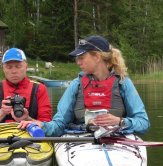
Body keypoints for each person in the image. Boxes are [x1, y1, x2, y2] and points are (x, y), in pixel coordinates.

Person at [18, 35, 149, 136]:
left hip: (117, 139)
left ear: (97, 57)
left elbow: (144, 123)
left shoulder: (123, 82)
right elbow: (59, 125)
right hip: (82, 139)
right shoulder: (76, 85)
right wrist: (41, 125)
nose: (78, 62)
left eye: (81, 57)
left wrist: (120, 121)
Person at [0, 48, 52, 134]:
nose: (14, 71)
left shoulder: (39, 89)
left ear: (26, 67)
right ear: (3, 69)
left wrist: (27, 119)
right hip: (0, 139)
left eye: (18, 66)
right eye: (9, 67)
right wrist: (2, 112)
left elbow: (47, 126)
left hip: (30, 139)